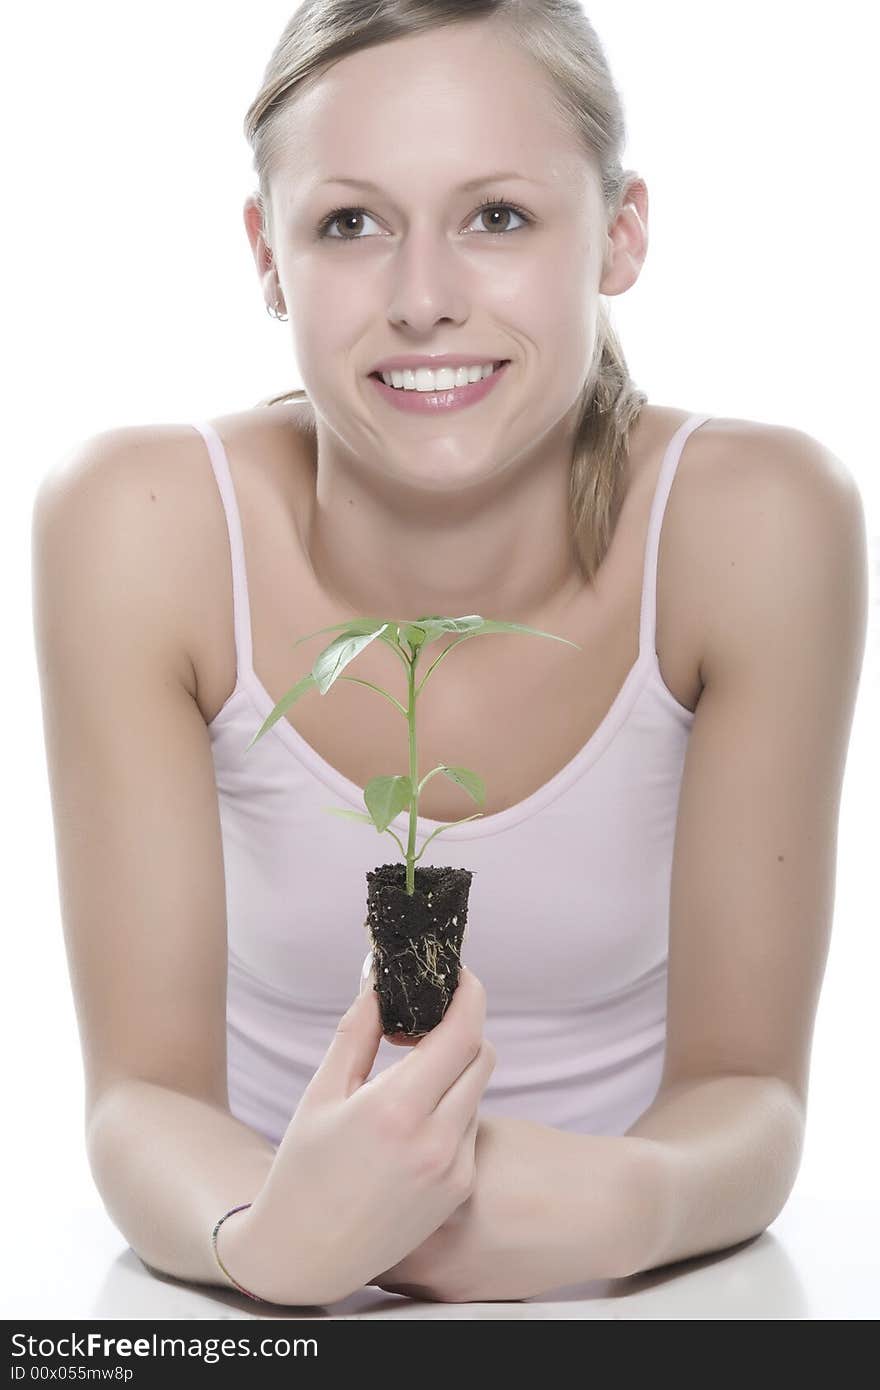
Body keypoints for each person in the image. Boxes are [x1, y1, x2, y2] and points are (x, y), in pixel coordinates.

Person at [31, 1, 867, 1308]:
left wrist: (624, 1205)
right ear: (266, 253)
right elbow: (142, 1090)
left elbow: (749, 1085)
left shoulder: (759, 523)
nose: (423, 301)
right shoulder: (137, 525)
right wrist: (266, 1236)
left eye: (498, 216)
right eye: (351, 223)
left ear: (621, 231)